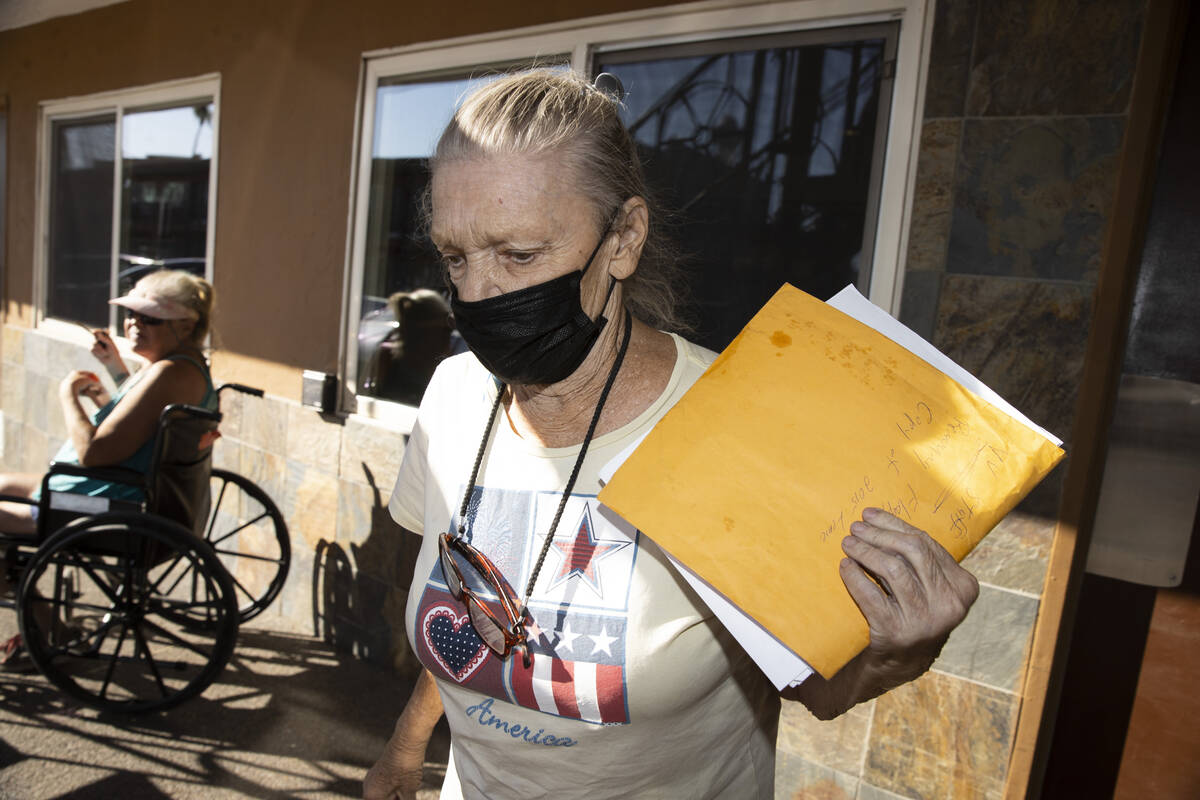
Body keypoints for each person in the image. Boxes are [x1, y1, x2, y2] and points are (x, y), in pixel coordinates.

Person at [364, 70, 979, 800]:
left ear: (623, 239)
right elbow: (468, 609)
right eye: (455, 258)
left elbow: (820, 689)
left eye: (520, 256)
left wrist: (900, 649)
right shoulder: (454, 394)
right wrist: (405, 749)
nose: (477, 295)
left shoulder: (735, 427)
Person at [0, 269, 218, 663]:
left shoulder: (170, 373)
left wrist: (68, 395)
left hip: (104, 500)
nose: (134, 324)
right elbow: (139, 425)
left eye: (150, 318)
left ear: (185, 325)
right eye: (132, 315)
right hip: (112, 490)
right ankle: (31, 605)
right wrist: (114, 375)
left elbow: (94, 453)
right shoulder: (177, 367)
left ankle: (47, 626)